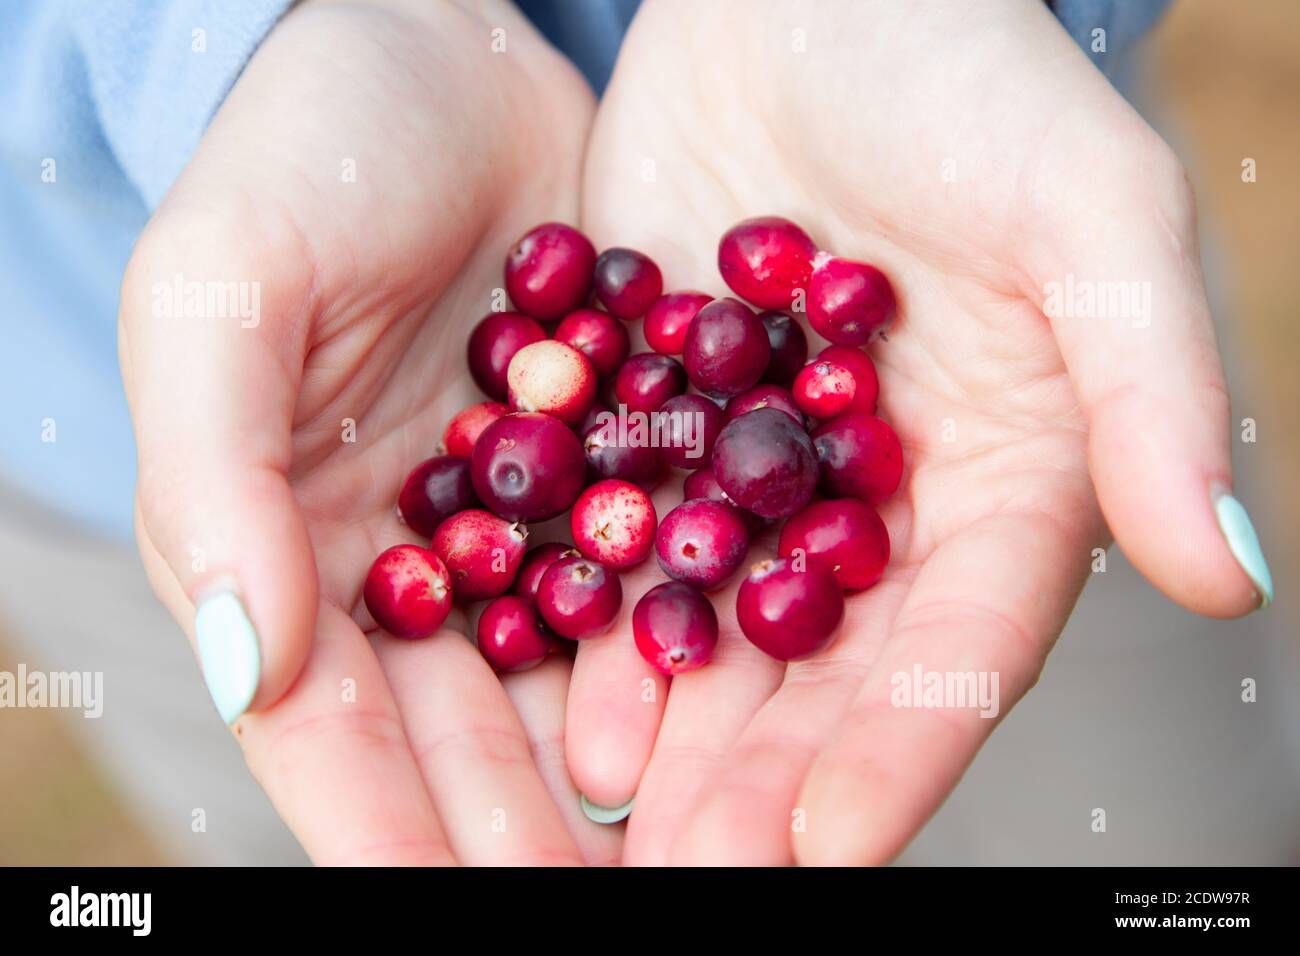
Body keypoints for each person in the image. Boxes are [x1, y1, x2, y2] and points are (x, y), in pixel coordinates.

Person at [0, 0, 1277, 865]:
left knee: (1157, 833)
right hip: (183, 423)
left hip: (980, 332)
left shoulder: (780, 410)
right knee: (335, 790)